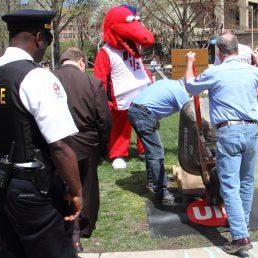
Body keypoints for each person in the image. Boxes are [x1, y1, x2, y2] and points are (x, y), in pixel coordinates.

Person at [0, 9, 82, 257]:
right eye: (48, 40)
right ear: (38, 38)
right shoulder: (36, 77)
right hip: (32, 189)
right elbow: (61, 146)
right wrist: (76, 191)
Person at [184, 33, 258, 255]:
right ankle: (242, 226)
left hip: (229, 131)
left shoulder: (216, 71)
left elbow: (190, 87)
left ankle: (240, 237)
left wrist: (190, 63)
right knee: (246, 182)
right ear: (238, 50)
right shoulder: (250, 70)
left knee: (230, 184)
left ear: (219, 52)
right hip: (251, 129)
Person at [53, 48, 112, 252]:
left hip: (56, 143)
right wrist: (103, 147)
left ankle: (64, 223)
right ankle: (84, 226)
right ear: (80, 62)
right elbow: (104, 119)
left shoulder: (49, 79)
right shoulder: (92, 82)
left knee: (59, 184)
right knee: (87, 184)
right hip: (87, 143)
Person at [94, 5, 151, 170]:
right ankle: (118, 153)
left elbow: (140, 66)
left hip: (142, 93)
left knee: (144, 123)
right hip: (121, 97)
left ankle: (144, 149)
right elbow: (100, 78)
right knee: (120, 127)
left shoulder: (133, 48)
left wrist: (149, 80)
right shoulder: (106, 52)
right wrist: (103, 99)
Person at [128, 79, 190, 204]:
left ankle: (152, 181)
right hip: (144, 114)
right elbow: (191, 114)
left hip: (134, 110)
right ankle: (161, 193)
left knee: (151, 150)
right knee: (156, 153)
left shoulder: (167, 82)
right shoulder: (181, 91)